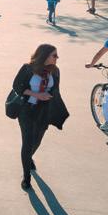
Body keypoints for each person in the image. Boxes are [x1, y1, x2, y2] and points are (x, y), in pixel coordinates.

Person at [12, 44, 69, 190]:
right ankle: (26, 177)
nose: (57, 58)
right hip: (27, 110)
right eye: (54, 55)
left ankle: (28, 157)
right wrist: (36, 95)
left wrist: (52, 98)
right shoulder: (27, 68)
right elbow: (17, 87)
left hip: (44, 111)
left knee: (37, 141)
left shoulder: (55, 71)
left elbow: (56, 89)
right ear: (44, 55)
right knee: (27, 142)